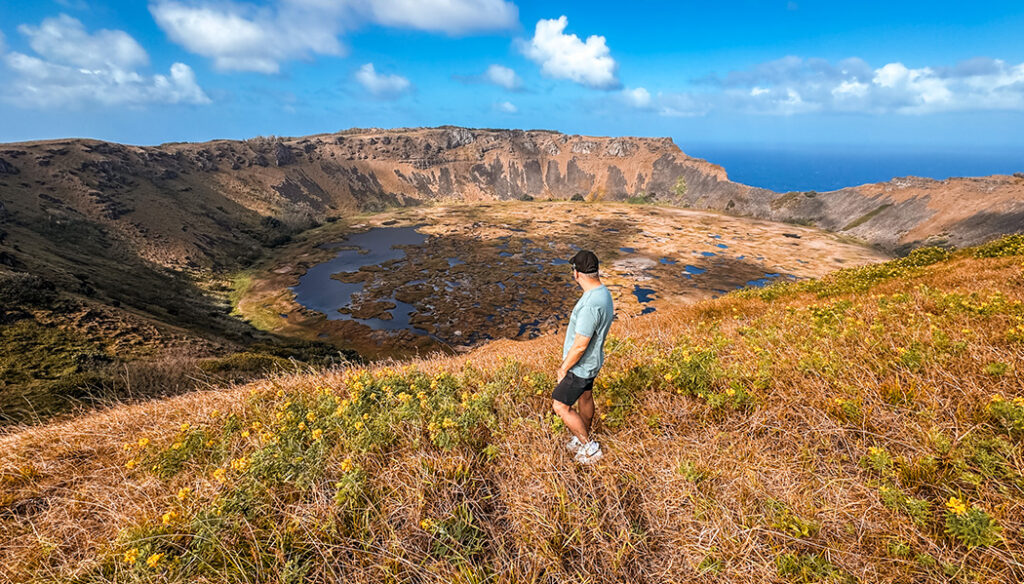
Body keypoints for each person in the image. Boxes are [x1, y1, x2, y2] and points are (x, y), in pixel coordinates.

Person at [552, 250, 615, 464]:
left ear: (576, 273)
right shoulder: (603, 293)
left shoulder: (589, 304)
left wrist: (563, 369)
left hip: (580, 366)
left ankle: (589, 447)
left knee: (560, 405)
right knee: (585, 398)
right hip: (593, 362)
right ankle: (582, 439)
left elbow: (580, 345)